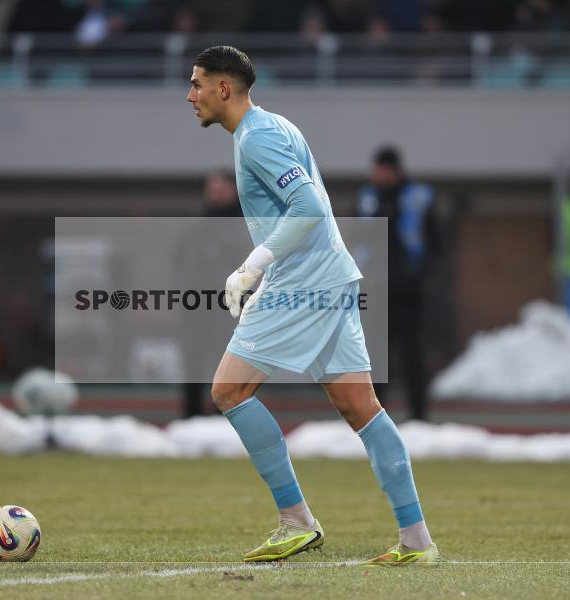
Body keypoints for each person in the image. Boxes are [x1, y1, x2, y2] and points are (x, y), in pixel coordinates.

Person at [187, 46, 438, 566]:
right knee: (360, 407)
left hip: (304, 282)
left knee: (228, 390)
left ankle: (297, 521)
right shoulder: (274, 126)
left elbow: (309, 206)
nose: (190, 96)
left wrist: (254, 264)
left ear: (223, 88)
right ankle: (417, 540)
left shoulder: (257, 137)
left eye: (196, 84)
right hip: (332, 276)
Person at [357, 146, 439, 422]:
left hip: (408, 291)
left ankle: (419, 416)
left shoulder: (418, 198)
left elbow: (435, 244)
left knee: (412, 353)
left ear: (393, 171)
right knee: (374, 356)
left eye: (381, 170)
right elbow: (355, 238)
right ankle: (375, 416)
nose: (376, 175)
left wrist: (419, 275)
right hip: (376, 288)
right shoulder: (367, 199)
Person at [180, 171, 243, 418]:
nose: (214, 195)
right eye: (211, 190)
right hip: (197, 304)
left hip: (229, 307)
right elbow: (183, 261)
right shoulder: (198, 225)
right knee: (193, 363)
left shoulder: (244, 223)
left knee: (226, 365)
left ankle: (224, 417)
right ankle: (191, 418)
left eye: (220, 190)